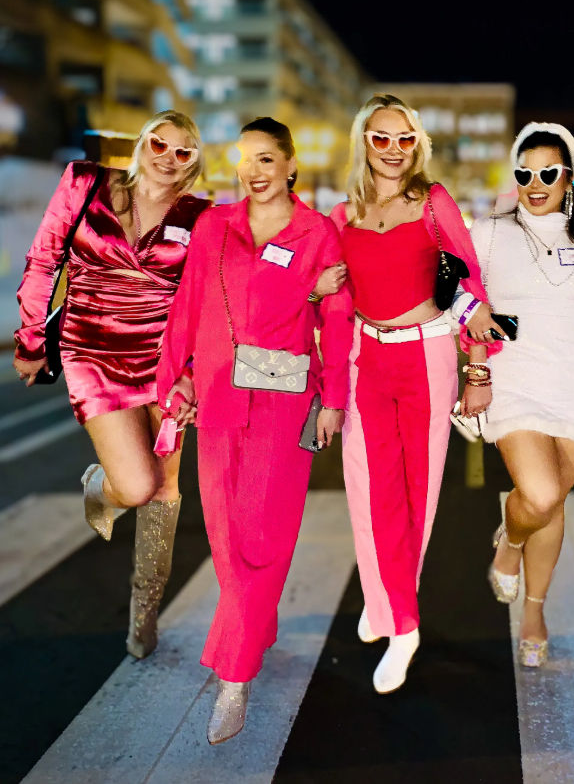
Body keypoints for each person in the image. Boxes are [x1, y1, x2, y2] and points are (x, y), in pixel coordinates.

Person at [156, 117, 353, 744]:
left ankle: (234, 679)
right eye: (245, 159)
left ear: (291, 166)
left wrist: (335, 402)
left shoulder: (316, 233)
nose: (254, 170)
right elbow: (187, 305)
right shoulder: (216, 225)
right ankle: (255, 628)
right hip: (215, 394)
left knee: (263, 536)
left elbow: (340, 318)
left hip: (284, 402)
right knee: (225, 534)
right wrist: (176, 380)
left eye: (267, 159)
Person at [13, 110, 209, 659]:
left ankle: (143, 618)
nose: (169, 158)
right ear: (141, 144)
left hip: (166, 360)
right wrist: (31, 340)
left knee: (165, 491)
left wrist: (191, 374)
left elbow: (209, 297)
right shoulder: (83, 183)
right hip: (91, 353)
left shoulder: (200, 215)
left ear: (196, 161)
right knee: (136, 486)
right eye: (161, 144)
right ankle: (102, 489)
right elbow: (45, 259)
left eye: (183, 152)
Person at [330, 93, 501, 695]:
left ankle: (402, 625)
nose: (394, 150)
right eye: (381, 138)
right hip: (364, 356)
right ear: (364, 143)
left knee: (415, 494)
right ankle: (385, 605)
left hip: (427, 355)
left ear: (418, 144)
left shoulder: (432, 202)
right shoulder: (342, 213)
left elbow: (469, 282)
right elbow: (325, 289)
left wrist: (478, 371)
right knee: (366, 486)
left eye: (405, 139)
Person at [477, 122, 574, 667]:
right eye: (525, 173)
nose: (537, 183)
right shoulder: (489, 232)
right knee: (537, 494)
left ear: (569, 178)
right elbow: (462, 298)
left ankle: (534, 611)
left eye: (549, 173)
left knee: (553, 499)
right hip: (517, 380)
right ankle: (508, 546)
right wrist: (476, 368)